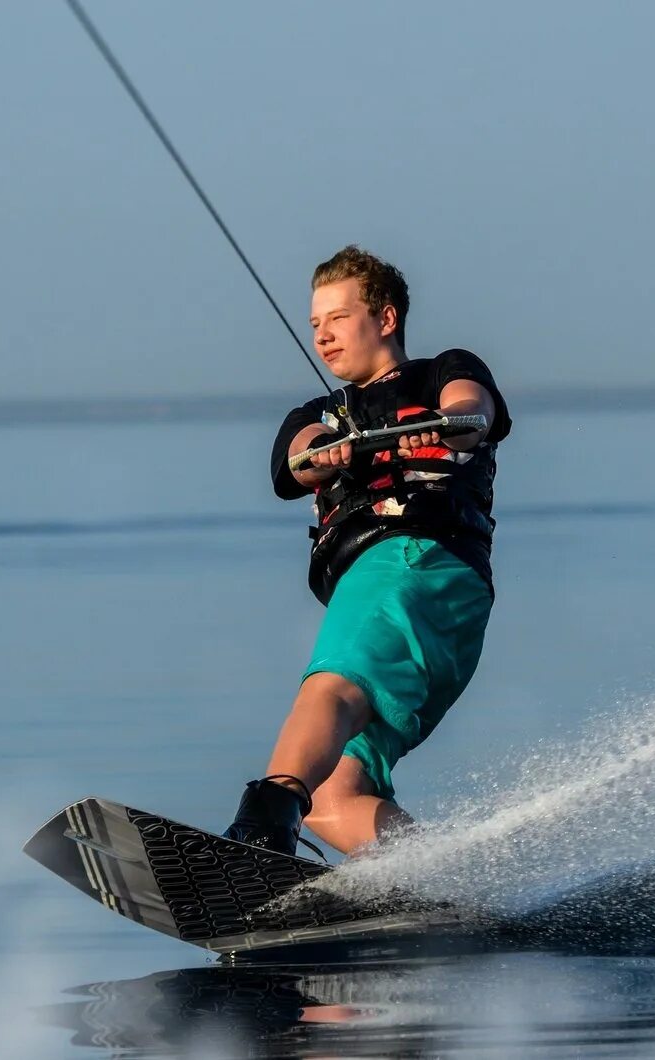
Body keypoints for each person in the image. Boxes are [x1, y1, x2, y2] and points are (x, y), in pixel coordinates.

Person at [223, 246, 512, 857]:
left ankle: (263, 827)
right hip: (412, 605)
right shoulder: (319, 413)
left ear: (384, 319)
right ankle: (439, 882)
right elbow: (296, 458)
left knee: (330, 688)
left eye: (338, 318)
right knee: (333, 798)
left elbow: (473, 408)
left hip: (415, 566)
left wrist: (452, 421)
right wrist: (325, 448)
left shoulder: (442, 371)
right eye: (314, 326)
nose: (323, 337)